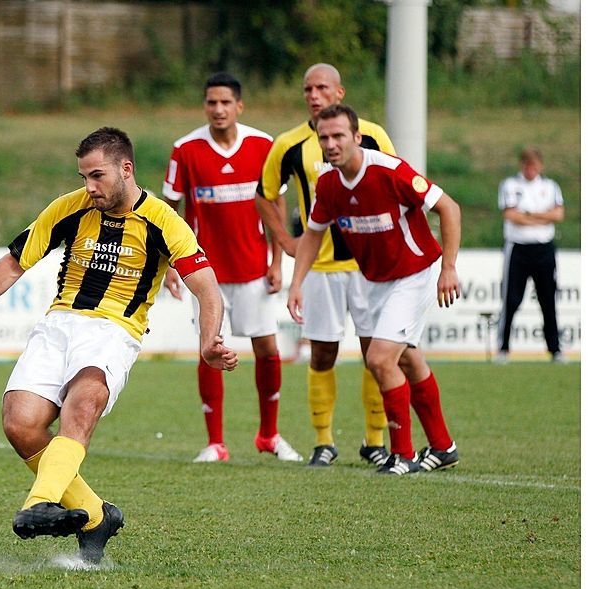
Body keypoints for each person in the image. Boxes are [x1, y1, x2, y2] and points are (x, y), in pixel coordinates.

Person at [0, 127, 239, 564]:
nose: (89, 187)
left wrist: (208, 342)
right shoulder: (69, 209)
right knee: (20, 423)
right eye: (83, 177)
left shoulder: (165, 222)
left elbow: (207, 288)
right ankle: (96, 517)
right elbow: (14, 263)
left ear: (126, 169)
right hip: (59, 324)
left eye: (97, 176)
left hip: (116, 330)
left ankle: (40, 502)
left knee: (85, 397)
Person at [287, 103, 461, 475]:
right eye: (324, 138)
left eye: (338, 136)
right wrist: (297, 283)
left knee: (380, 359)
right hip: (377, 280)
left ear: (357, 137)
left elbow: (449, 208)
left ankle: (403, 454)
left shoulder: (390, 171)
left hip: (416, 273)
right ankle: (443, 447)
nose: (330, 144)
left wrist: (448, 267)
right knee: (407, 359)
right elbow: (312, 235)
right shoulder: (330, 184)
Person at [255, 63, 395, 468]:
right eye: (307, 89)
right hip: (320, 269)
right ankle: (324, 441)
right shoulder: (289, 144)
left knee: (375, 354)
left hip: (370, 267)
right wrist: (285, 241)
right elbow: (265, 194)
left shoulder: (372, 135)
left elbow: (394, 182)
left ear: (339, 92)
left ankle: (374, 440)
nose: (313, 95)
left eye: (321, 88)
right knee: (322, 354)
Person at [161, 72, 301, 463]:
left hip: (254, 267)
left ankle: (269, 436)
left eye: (226, 102)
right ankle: (215, 443)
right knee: (210, 349)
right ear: (204, 106)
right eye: (211, 102)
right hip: (204, 273)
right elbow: (168, 212)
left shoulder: (263, 145)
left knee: (268, 348)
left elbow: (276, 205)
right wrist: (172, 263)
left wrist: (277, 261)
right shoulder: (185, 149)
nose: (218, 109)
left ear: (239, 105)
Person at [495, 147, 566, 363]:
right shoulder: (511, 185)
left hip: (544, 249)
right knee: (512, 299)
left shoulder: (550, 186)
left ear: (540, 166)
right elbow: (511, 215)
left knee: (548, 300)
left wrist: (529, 215)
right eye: (527, 165)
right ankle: (504, 349)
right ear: (522, 165)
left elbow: (558, 214)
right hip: (519, 248)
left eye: (534, 166)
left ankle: (555, 350)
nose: (530, 170)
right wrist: (542, 217)